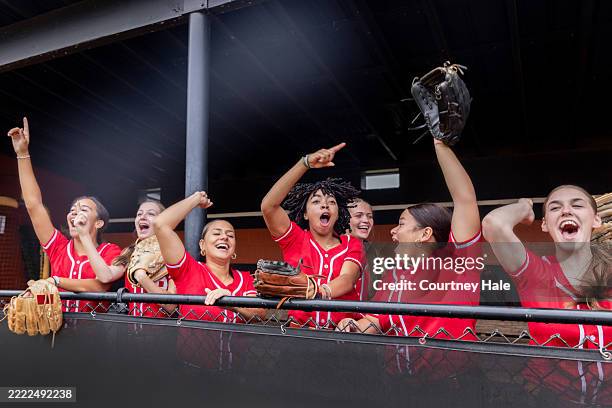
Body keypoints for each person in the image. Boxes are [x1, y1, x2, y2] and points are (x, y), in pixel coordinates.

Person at [338, 137, 482, 340]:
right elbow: (377, 320)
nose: (393, 231)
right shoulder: (393, 276)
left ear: (425, 234)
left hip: (451, 372)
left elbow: (465, 200)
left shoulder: (457, 265)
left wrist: (440, 144)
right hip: (397, 373)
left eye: (402, 223)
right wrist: (352, 325)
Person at [7, 117, 121, 313]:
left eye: (84, 209)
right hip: (56, 332)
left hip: (94, 337)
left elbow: (100, 285)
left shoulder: (111, 252)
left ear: (99, 223)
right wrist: (22, 154)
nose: (76, 213)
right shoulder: (59, 247)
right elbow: (34, 205)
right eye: (73, 210)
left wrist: (55, 281)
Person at [482, 185, 611, 348]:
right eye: (555, 207)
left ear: (596, 220)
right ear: (544, 224)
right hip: (546, 373)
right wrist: (525, 207)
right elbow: (494, 224)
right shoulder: (536, 274)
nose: (566, 211)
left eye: (577, 205)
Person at [260, 142, 365, 328]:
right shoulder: (296, 239)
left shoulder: (351, 243)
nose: (325, 205)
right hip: (301, 334)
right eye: (316, 201)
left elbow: (347, 279)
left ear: (338, 213)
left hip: (343, 332)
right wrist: (305, 163)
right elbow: (268, 206)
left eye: (331, 202)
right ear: (306, 214)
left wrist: (319, 290)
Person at [46, 200, 177, 317]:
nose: (142, 216)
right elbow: (105, 276)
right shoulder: (129, 252)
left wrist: (142, 277)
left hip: (164, 331)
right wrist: (84, 235)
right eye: (139, 214)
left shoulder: (173, 253)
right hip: (134, 332)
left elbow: (171, 307)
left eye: (151, 214)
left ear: (163, 221)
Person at [153, 191, 265, 322]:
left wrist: (233, 304)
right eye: (216, 233)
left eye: (230, 235)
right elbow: (160, 224)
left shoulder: (246, 279)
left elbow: (260, 314)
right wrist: (196, 198)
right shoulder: (188, 270)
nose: (224, 237)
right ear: (202, 245)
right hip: (194, 343)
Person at [348, 198, 377, 300]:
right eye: (358, 216)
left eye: (370, 217)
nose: (366, 220)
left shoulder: (371, 251)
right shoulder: (334, 248)